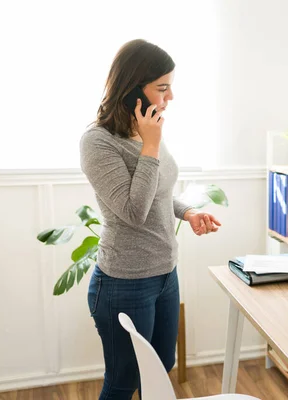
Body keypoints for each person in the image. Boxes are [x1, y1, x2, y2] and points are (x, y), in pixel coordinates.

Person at [80, 39, 221, 399]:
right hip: (124, 282)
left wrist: (187, 211)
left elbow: (157, 190)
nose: (170, 96)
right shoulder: (98, 142)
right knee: (123, 381)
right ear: (132, 88)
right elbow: (133, 212)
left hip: (164, 274)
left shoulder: (145, 131)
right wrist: (151, 145)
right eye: (162, 87)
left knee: (160, 369)